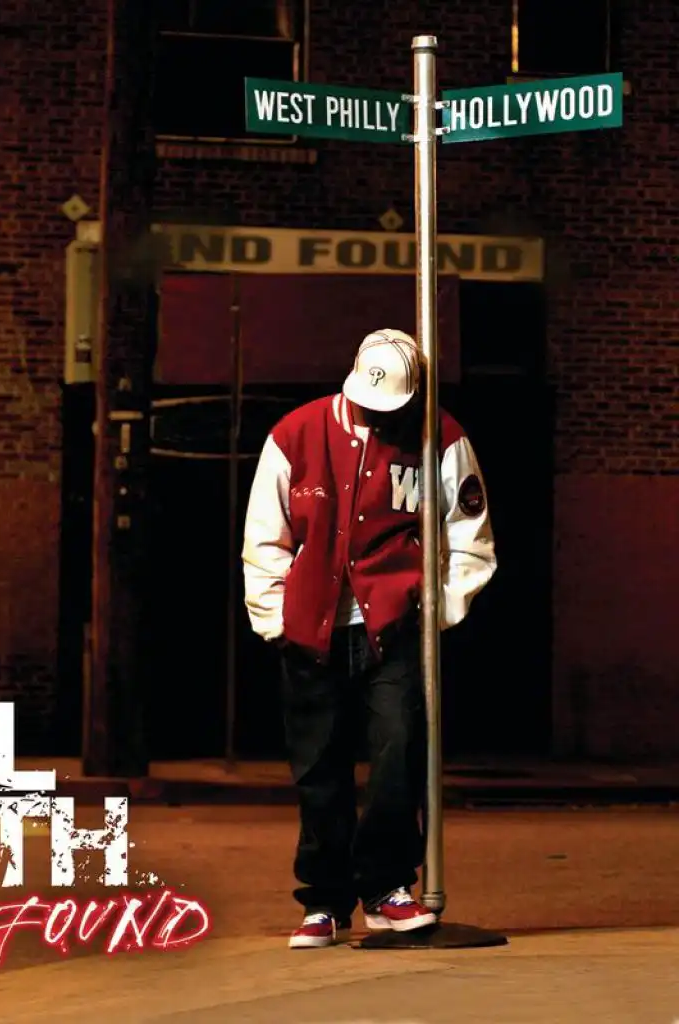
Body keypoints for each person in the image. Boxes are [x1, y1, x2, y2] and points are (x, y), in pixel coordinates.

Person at [242, 328, 497, 949]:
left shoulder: (441, 438)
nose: (376, 416)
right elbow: (265, 535)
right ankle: (324, 901)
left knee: (398, 754)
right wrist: (273, 618)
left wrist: (436, 614)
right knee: (318, 768)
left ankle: (387, 888)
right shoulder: (295, 434)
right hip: (311, 630)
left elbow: (470, 537)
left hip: (396, 629)